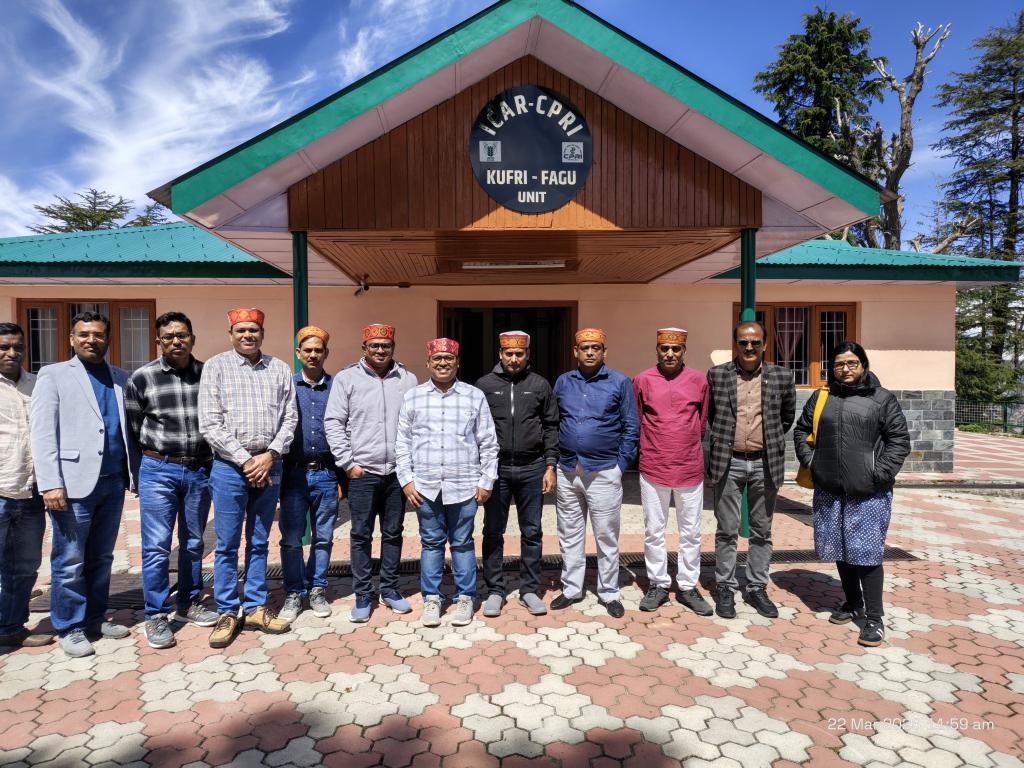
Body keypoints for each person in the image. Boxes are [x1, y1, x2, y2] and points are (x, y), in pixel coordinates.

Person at [31, 311, 138, 658]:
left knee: (102, 556)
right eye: (84, 334)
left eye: (98, 334)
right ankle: (69, 626)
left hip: (112, 482)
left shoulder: (120, 377)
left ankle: (94, 618)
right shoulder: (54, 375)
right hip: (72, 485)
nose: (91, 340)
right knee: (70, 559)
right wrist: (50, 483)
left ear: (108, 339)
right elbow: (42, 433)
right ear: (72, 339)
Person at [794, 341, 909, 647]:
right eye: (839, 364)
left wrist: (878, 474)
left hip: (868, 492)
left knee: (867, 553)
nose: (845, 369)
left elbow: (899, 440)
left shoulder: (881, 398)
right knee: (840, 548)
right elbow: (801, 430)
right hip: (830, 489)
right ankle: (853, 602)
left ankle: (874, 618)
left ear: (863, 365)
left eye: (851, 363)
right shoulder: (822, 397)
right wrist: (812, 462)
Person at [198, 307, 297, 648]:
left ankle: (255, 606)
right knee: (226, 544)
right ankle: (227, 610)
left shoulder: (279, 368)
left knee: (258, 540)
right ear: (231, 334)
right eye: (241, 330)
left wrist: (269, 456)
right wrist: (246, 461)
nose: (247, 335)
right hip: (230, 467)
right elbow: (210, 423)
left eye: (253, 330)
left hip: (270, 465)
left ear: (262, 334)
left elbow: (290, 419)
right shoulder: (216, 367)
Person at [125, 311, 218, 649]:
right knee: (156, 546)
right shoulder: (142, 378)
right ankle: (156, 614)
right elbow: (134, 429)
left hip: (199, 469)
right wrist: (139, 474)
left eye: (182, 335)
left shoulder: (209, 374)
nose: (176, 341)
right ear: (158, 341)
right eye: (169, 337)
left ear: (193, 338)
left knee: (193, 541)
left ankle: (188, 603)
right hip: (158, 469)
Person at [396, 338, 498, 628]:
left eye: (448, 359)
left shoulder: (474, 396)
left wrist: (486, 480)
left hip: (464, 485)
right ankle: (432, 598)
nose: (443, 363)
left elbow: (488, 442)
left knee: (463, 543)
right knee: (431, 543)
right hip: (425, 486)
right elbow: (402, 442)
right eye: (437, 359)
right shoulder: (413, 397)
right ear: (428, 363)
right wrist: (406, 480)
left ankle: (465, 597)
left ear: (457, 363)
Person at [325, 323, 417, 623]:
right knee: (360, 535)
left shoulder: (407, 379)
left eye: (385, 346)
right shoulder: (346, 378)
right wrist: (348, 463)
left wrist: (410, 467)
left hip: (396, 473)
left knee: (393, 533)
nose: (380, 351)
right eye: (374, 346)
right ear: (364, 348)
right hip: (362, 473)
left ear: (393, 348)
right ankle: (363, 594)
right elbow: (334, 422)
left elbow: (415, 425)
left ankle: (390, 589)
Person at [706, 320, 795, 620]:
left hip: (764, 462)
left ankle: (757, 587)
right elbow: (712, 415)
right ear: (735, 344)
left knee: (761, 531)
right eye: (743, 342)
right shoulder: (718, 375)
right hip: (728, 461)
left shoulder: (782, 377)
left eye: (755, 342)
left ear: (765, 345)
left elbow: (786, 417)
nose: (749, 347)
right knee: (726, 530)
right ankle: (726, 587)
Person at [552, 328, 639, 619]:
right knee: (569, 533)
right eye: (585, 347)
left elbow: (631, 426)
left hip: (604, 470)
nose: (590, 352)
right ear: (575, 352)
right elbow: (554, 422)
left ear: (604, 352)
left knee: (606, 535)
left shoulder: (620, 382)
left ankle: (609, 591)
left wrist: (620, 466)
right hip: (568, 469)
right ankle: (571, 588)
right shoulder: (563, 382)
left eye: (596, 347)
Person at [476, 331, 559, 617]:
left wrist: (550, 465)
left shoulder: (539, 385)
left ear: (527, 355)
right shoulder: (484, 385)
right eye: (509, 353)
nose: (514, 359)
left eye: (519, 354)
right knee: (492, 531)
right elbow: (475, 429)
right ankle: (495, 590)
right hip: (496, 469)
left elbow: (551, 425)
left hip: (532, 467)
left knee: (532, 531)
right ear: (500, 354)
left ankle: (529, 590)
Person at [633, 328, 712, 615]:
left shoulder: (699, 381)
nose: (669, 354)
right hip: (653, 466)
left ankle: (688, 586)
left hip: (689, 467)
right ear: (657, 349)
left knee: (691, 532)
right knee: (654, 531)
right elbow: (638, 419)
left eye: (675, 349)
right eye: (664, 348)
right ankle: (658, 584)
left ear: (684, 351)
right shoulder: (642, 380)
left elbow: (701, 422)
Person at [277, 326, 342, 623]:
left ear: (326, 353)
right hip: (293, 475)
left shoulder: (337, 388)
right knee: (291, 538)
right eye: (308, 350)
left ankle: (317, 589)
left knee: (323, 537)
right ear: (298, 353)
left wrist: (341, 478)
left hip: (326, 474)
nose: (313, 355)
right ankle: (293, 591)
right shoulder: (287, 386)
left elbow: (346, 429)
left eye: (318, 350)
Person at [0, 323, 51, 648]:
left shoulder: (38, 385)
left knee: (25, 565)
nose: (12, 353)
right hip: (1, 489)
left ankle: (11, 627)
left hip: (32, 491)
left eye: (17, 347)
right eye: (4, 347)